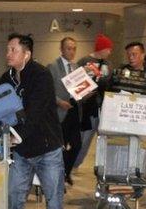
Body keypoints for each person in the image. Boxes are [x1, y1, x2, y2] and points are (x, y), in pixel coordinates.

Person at [0, 33, 64, 209]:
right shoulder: (5, 79)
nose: (8, 54)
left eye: (13, 50)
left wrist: (16, 136)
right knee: (14, 197)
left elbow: (34, 114)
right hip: (22, 151)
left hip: (48, 149)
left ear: (27, 54)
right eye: (7, 49)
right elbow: (0, 110)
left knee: (53, 199)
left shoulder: (41, 76)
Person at [74, 34, 114, 169]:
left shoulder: (108, 64)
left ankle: (104, 168)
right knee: (84, 139)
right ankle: (74, 164)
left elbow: (111, 84)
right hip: (87, 108)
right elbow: (74, 83)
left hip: (105, 107)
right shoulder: (83, 61)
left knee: (105, 139)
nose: (110, 52)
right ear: (101, 49)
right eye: (108, 49)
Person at [47, 37, 82, 186]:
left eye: (74, 48)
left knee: (77, 145)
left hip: (74, 111)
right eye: (68, 48)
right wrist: (59, 102)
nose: (72, 51)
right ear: (61, 49)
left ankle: (65, 172)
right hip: (59, 112)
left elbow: (79, 89)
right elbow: (47, 91)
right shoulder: (52, 67)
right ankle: (59, 176)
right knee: (60, 146)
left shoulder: (76, 68)